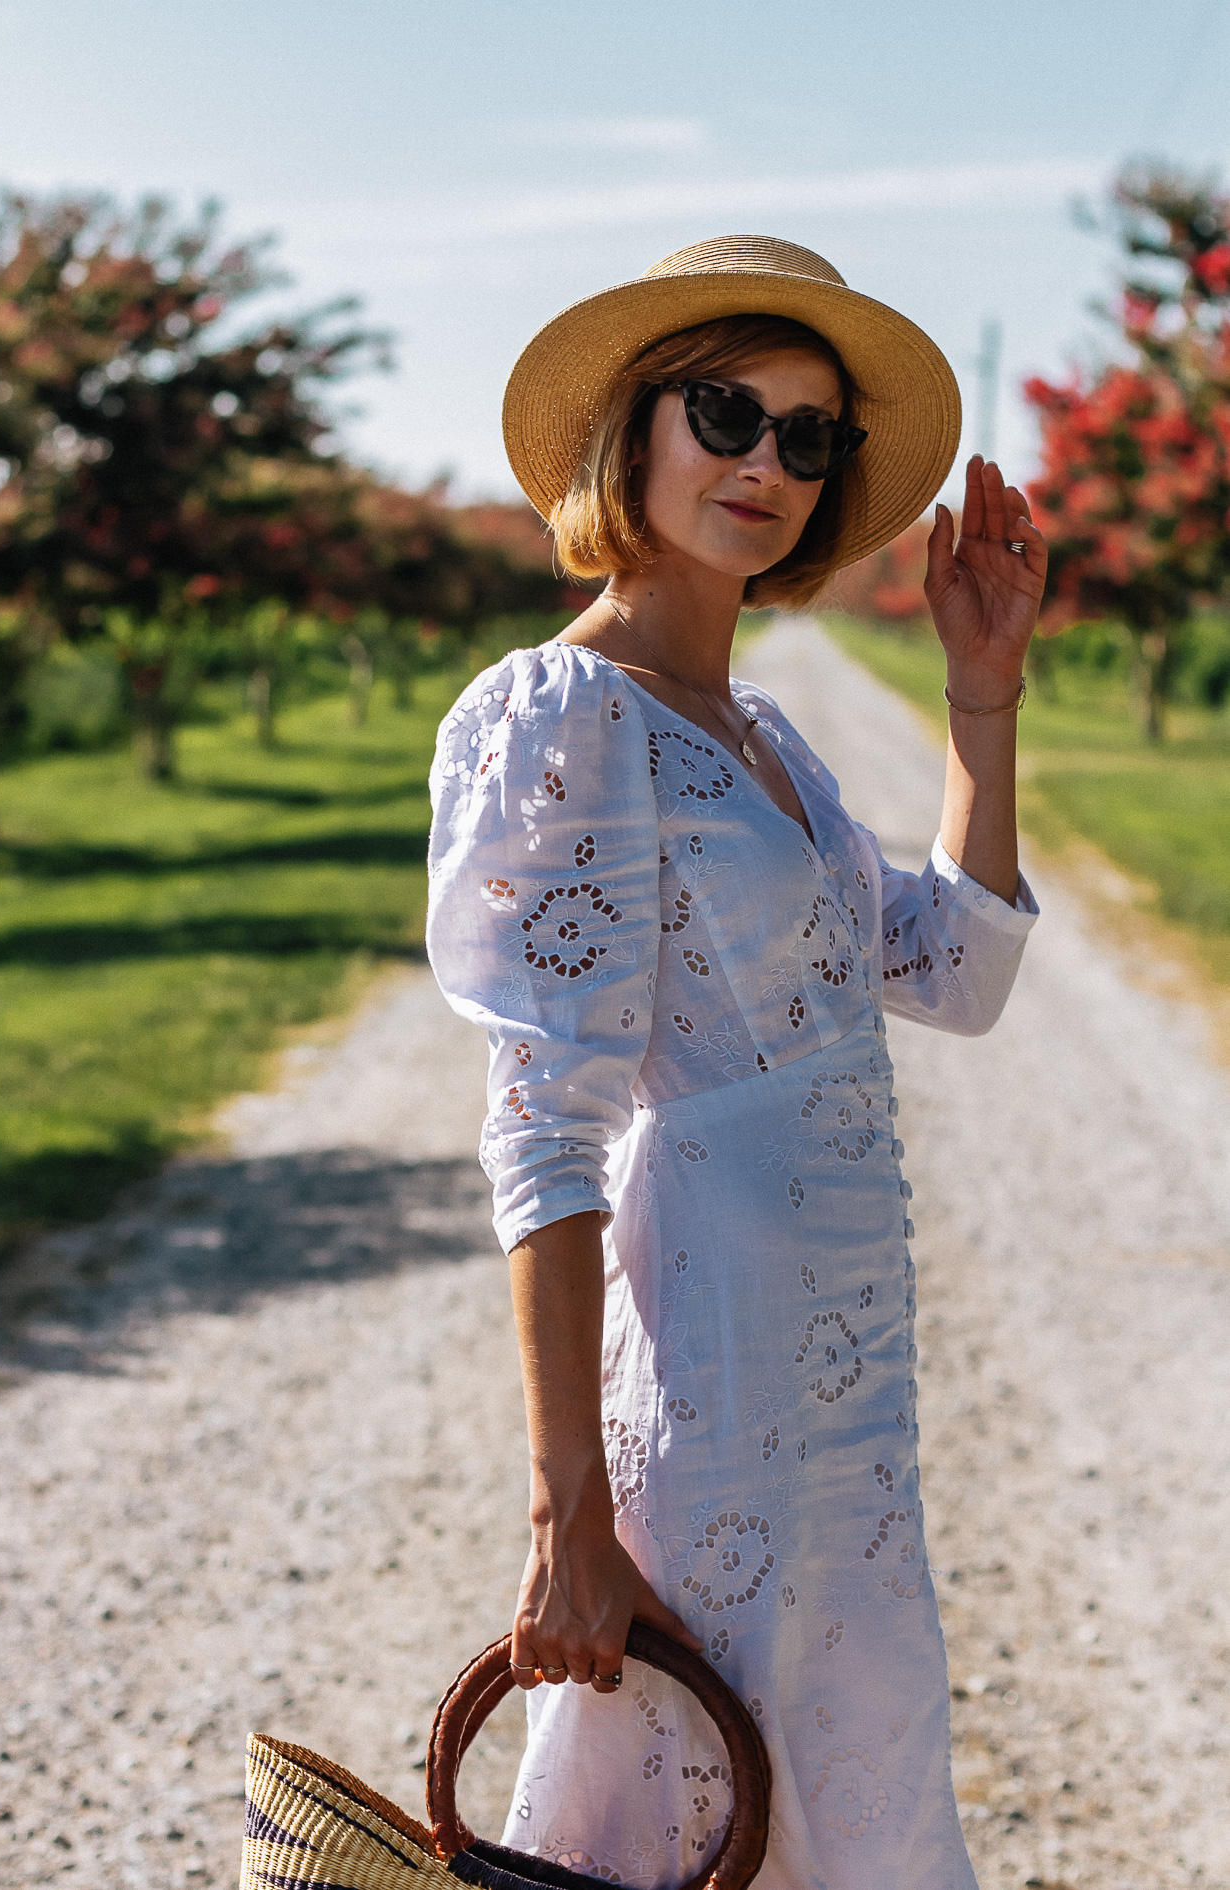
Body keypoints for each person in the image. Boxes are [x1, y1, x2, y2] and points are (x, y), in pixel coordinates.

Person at [427, 236, 1044, 1890]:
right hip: (704, 1407)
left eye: (810, 436)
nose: (768, 463)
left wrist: (980, 702)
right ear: (634, 430)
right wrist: (572, 1514)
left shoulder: (767, 739)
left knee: (838, 1812)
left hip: (851, 1418)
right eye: (727, 412)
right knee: (693, 1825)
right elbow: (542, 1130)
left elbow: (959, 973)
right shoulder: (564, 714)